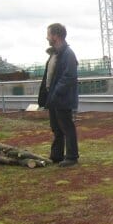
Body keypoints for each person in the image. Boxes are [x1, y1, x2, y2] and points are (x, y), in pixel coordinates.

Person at [38, 23, 79, 167]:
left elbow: (69, 77)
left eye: (48, 34)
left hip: (62, 98)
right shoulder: (56, 53)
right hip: (54, 98)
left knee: (66, 127)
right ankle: (56, 156)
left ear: (56, 35)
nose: (47, 37)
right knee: (56, 128)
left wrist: (56, 93)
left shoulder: (67, 53)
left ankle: (72, 157)